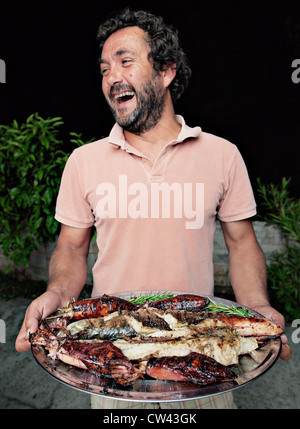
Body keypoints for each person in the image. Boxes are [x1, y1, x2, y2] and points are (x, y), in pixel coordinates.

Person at [15, 8, 291, 409]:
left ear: (166, 71)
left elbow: (242, 244)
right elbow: (71, 249)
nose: (111, 77)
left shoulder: (222, 154)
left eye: (125, 61)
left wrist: (259, 306)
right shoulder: (84, 161)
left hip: (201, 351)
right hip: (109, 358)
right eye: (105, 68)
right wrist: (56, 293)